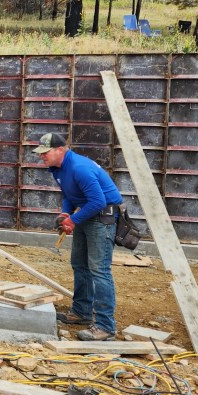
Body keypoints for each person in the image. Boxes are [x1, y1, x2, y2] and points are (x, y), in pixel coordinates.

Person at [33, 133, 123, 342]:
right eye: (40, 153)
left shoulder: (79, 168)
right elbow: (69, 195)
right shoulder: (58, 168)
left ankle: (105, 326)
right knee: (79, 264)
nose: (41, 156)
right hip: (86, 214)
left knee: (99, 270)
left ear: (60, 150)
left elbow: (98, 201)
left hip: (101, 218)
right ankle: (82, 311)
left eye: (45, 152)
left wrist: (73, 220)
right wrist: (66, 213)